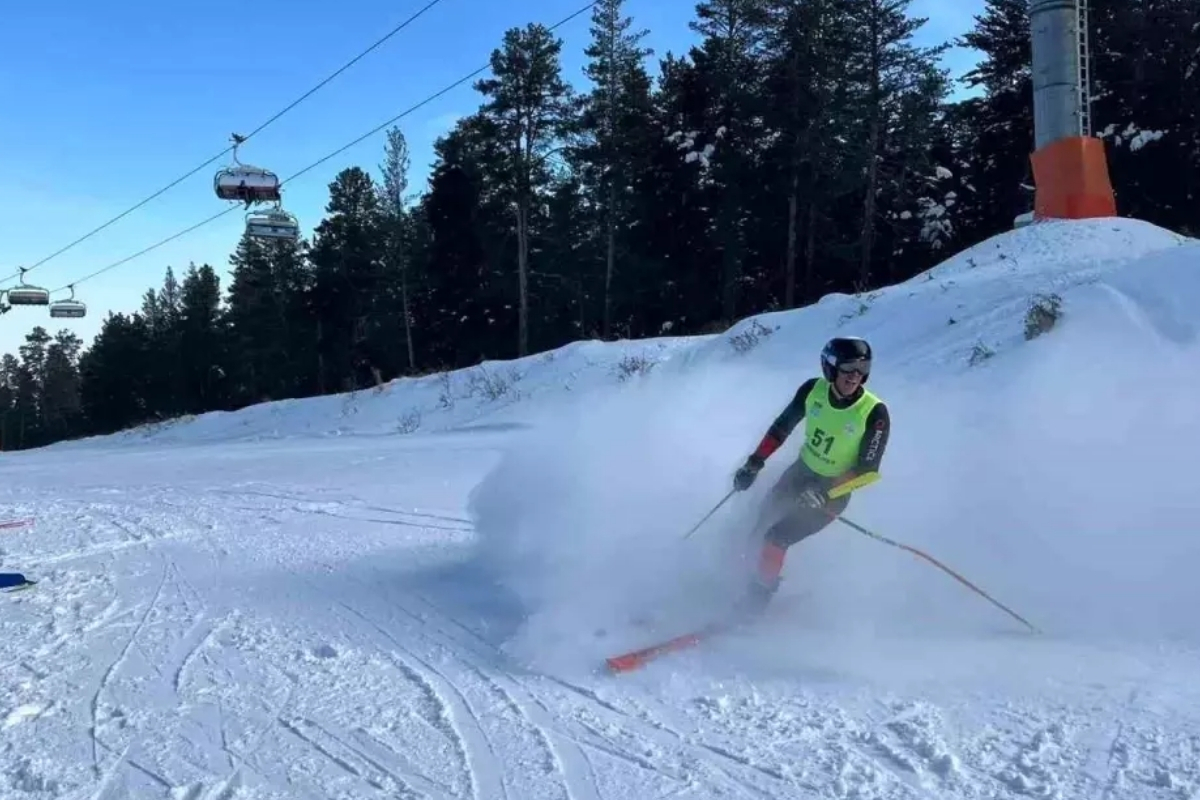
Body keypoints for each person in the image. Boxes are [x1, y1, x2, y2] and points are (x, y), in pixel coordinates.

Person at [729, 336, 891, 617]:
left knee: (777, 536)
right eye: (849, 367)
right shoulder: (812, 390)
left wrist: (825, 494)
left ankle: (757, 599)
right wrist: (754, 463)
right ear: (830, 367)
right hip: (799, 474)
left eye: (863, 368)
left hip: (832, 492)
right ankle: (736, 579)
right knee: (759, 522)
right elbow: (781, 428)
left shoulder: (874, 413)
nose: (856, 376)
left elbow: (867, 472)